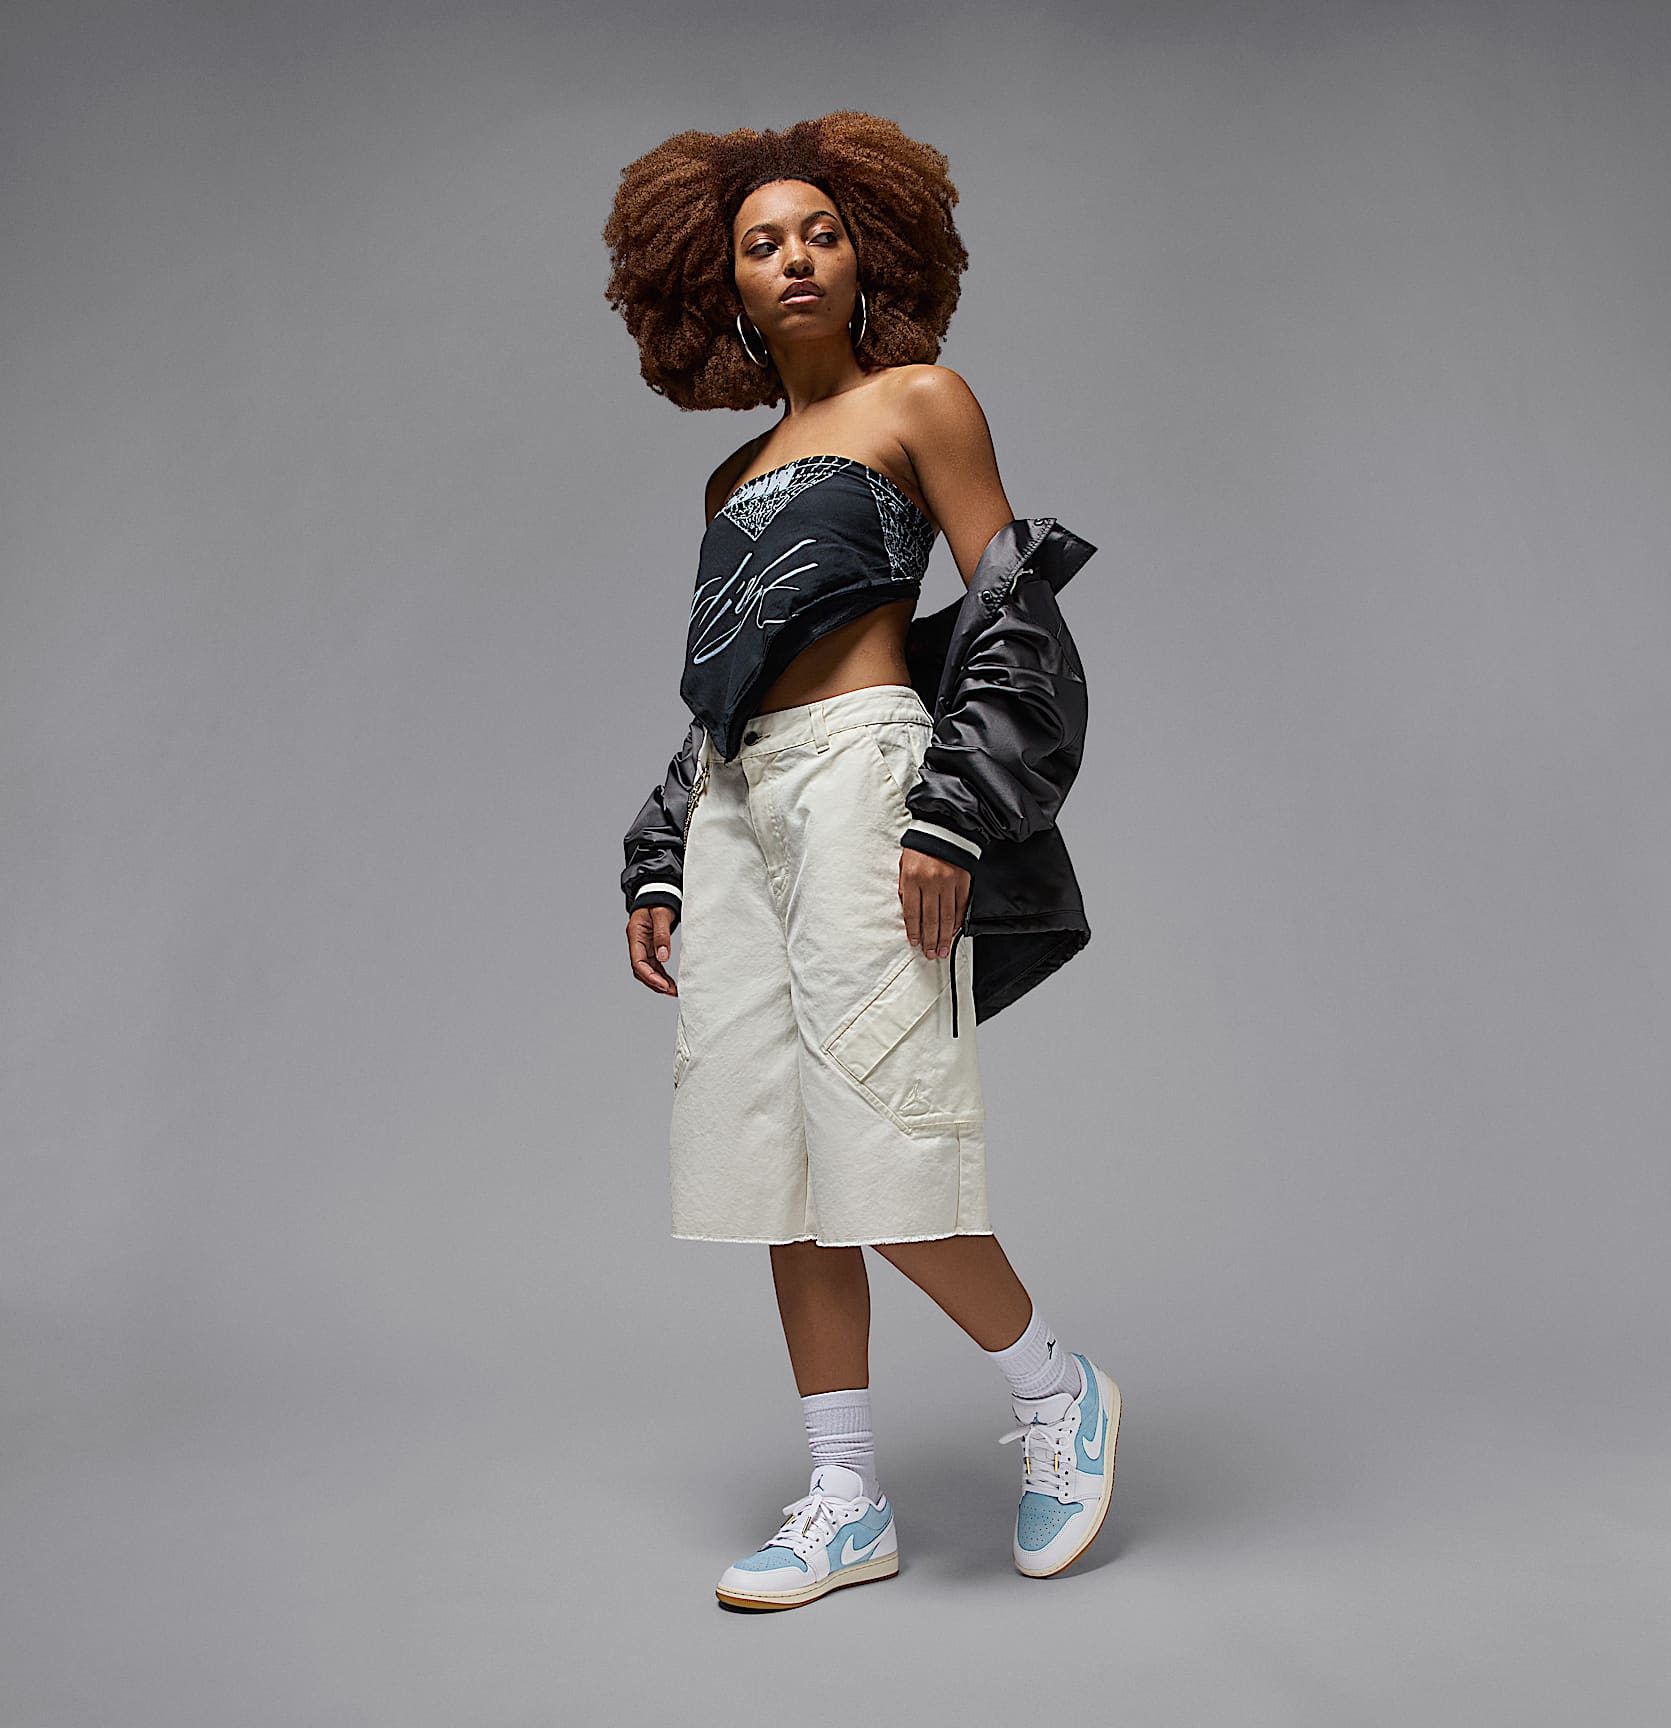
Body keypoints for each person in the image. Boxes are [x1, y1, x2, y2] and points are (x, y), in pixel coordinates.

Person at [606, 111, 1120, 1610]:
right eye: (761, 244)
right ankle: (845, 1499)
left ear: (867, 252)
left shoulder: (920, 403)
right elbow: (726, 689)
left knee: (884, 1142)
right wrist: (662, 855)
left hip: (867, 784)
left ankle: (1057, 1392)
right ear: (721, 287)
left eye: (819, 232)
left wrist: (954, 811)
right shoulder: (730, 479)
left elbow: (1014, 609)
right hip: (742, 806)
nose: (795, 259)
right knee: (772, 1167)